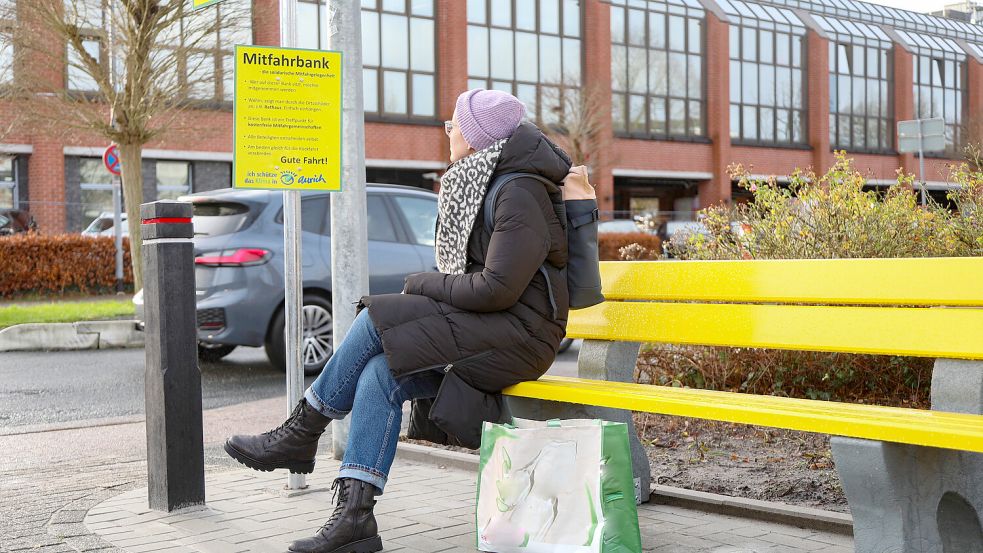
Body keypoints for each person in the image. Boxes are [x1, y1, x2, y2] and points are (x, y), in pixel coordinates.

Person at [224, 88, 573, 553]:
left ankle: (302, 431)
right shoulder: (489, 180)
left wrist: (424, 283)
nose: (447, 132)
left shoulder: (519, 192)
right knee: (379, 371)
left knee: (377, 319)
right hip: (493, 326)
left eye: (454, 125)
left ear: (475, 137)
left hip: (522, 337)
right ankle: (354, 519)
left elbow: (496, 288)